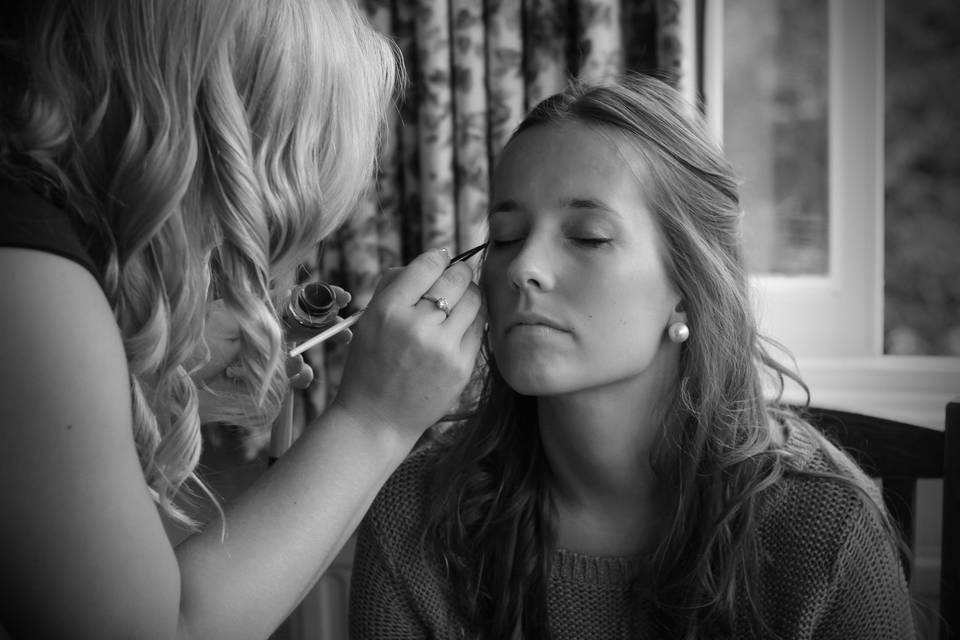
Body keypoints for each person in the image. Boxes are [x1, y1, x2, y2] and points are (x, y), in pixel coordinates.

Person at [348, 74, 916, 639]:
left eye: (589, 236)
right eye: (506, 235)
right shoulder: (414, 518)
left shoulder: (823, 529)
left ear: (688, 285)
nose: (523, 268)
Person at [0, 1, 483, 638]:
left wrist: (151, 385)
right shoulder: (29, 280)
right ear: (228, 158)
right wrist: (374, 419)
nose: (284, 281)